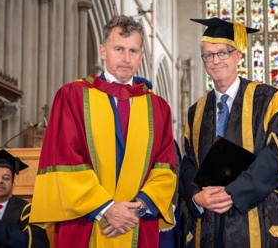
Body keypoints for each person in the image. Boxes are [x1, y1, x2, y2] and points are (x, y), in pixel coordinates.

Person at [29, 15, 177, 248]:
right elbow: (65, 159)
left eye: (133, 51)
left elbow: (165, 166)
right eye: (118, 49)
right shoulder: (73, 96)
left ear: (141, 56)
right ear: (102, 51)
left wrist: (138, 208)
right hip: (85, 223)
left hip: (136, 223)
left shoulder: (158, 107)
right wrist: (106, 208)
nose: (126, 59)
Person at [180, 17, 278, 247]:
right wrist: (196, 196)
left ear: (238, 54)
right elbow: (188, 164)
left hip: (255, 220)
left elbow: (277, 158)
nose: (215, 60)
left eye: (223, 53)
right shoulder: (196, 111)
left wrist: (233, 192)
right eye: (208, 55)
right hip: (209, 226)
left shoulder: (268, 99)